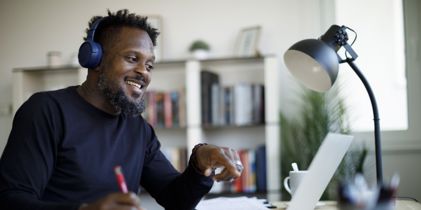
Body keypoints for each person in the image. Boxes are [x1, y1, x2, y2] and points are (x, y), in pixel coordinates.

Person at [0, 9, 242, 210]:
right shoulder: (46, 111)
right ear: (95, 59)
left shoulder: (138, 129)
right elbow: (11, 200)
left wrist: (198, 166)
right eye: (132, 58)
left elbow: (175, 198)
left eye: (149, 65)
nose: (144, 72)